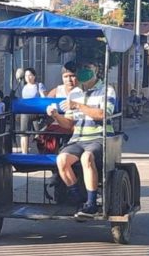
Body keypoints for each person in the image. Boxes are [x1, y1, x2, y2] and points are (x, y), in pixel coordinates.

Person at [46, 61, 116, 220]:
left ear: (96, 69)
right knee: (62, 160)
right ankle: (78, 199)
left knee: (87, 157)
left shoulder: (107, 90)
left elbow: (104, 114)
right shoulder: (74, 93)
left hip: (99, 137)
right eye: (82, 69)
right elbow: (69, 124)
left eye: (88, 68)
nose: (84, 71)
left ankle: (91, 204)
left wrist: (78, 106)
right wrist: (56, 116)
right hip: (78, 139)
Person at [19, 68, 47, 153]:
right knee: (24, 134)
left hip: (37, 113)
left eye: (30, 75)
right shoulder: (24, 87)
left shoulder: (39, 85)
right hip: (25, 112)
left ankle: (42, 154)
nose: (28, 77)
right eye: (26, 75)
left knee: (39, 135)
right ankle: (24, 154)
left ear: (34, 76)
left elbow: (44, 98)